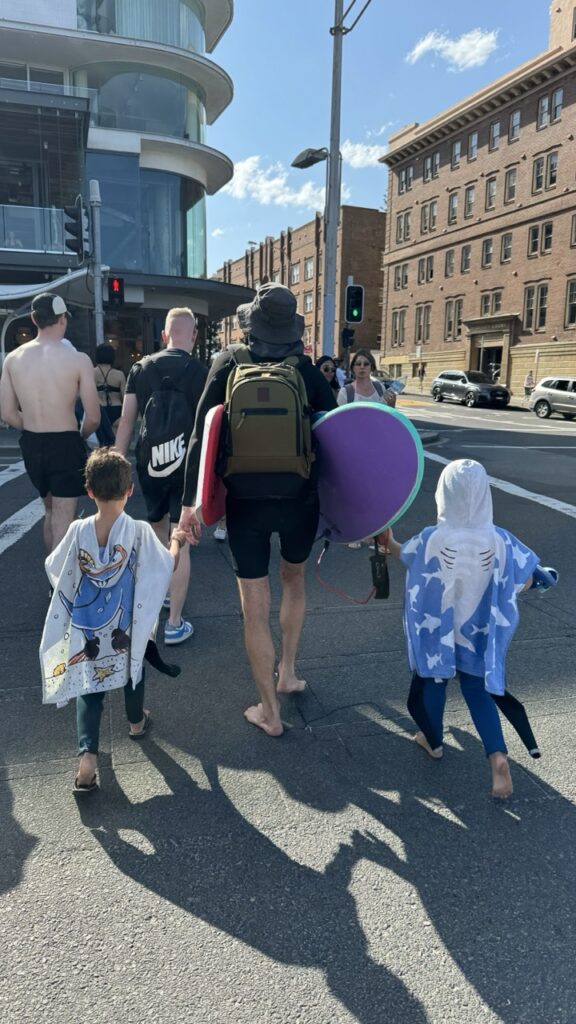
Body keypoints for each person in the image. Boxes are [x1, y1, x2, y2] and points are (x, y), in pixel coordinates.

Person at [178, 283, 337, 736]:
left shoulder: (228, 362)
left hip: (245, 502)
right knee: (294, 579)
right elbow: (336, 435)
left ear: (254, 324)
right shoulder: (305, 369)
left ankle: (270, 712)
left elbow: (201, 437)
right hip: (299, 498)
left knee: (254, 603)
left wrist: (192, 505)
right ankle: (287, 671)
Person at [381, 458, 546, 799]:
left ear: (443, 495)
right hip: (478, 636)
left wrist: (388, 541)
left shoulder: (431, 539)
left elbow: (402, 555)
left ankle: (433, 740)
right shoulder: (501, 540)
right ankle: (498, 757)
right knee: (477, 692)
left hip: (438, 635)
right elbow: (527, 577)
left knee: (434, 682)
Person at [40, 448, 187, 793]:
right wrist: (177, 541)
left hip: (87, 629)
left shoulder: (78, 530)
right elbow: (168, 565)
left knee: (89, 688)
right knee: (132, 672)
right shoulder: (137, 531)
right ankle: (136, 723)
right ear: (130, 489)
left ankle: (87, 758)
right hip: (126, 627)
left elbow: (54, 568)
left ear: (88, 491)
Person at [115, 307, 207, 645]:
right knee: (180, 536)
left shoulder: (141, 368)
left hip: (150, 463)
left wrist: (116, 462)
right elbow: (209, 428)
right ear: (193, 336)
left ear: (164, 335)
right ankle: (175, 622)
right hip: (187, 466)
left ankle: (155, 606)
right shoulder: (201, 371)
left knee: (155, 534)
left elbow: (127, 421)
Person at [0, 292, 100, 552]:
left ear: (34, 319)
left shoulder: (12, 359)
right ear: (63, 319)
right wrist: (80, 434)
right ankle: (58, 587)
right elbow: (93, 417)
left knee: (49, 512)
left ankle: (53, 578)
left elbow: (8, 413)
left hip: (32, 443)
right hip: (65, 441)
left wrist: (31, 424)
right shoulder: (78, 360)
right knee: (64, 516)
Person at [94, 343, 126, 436]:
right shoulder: (119, 374)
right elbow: (125, 397)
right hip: (116, 410)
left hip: (100, 410)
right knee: (115, 446)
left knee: (101, 445)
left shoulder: (92, 373)